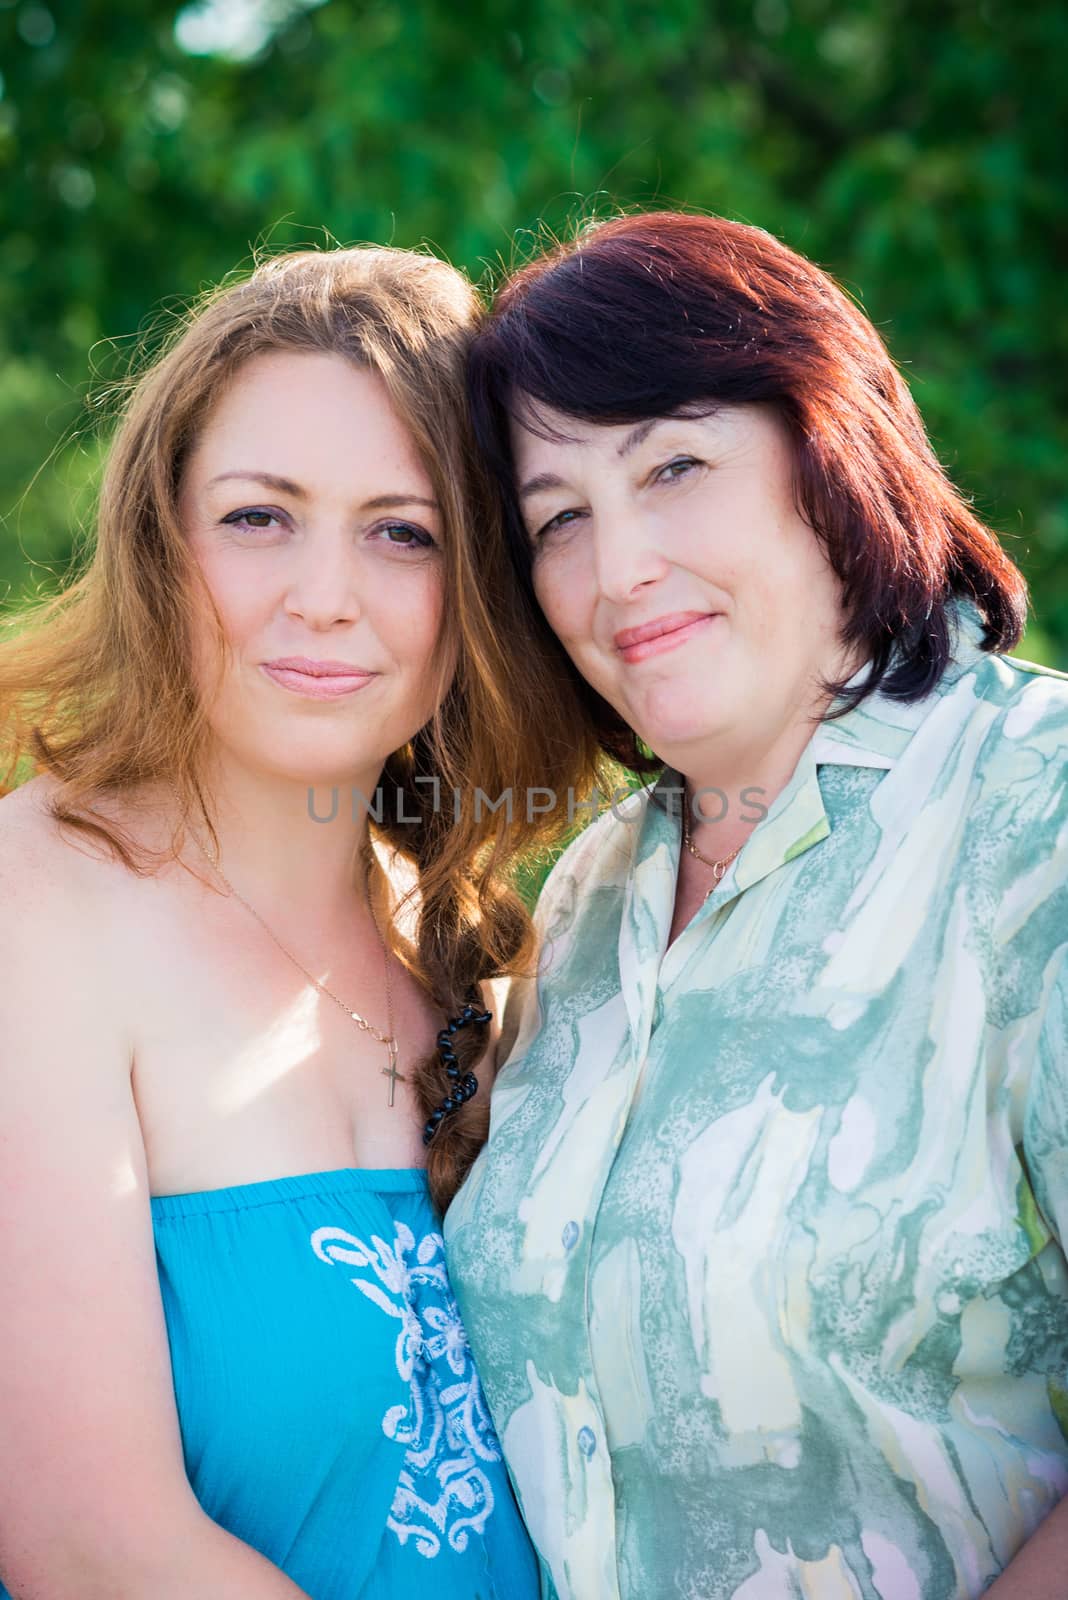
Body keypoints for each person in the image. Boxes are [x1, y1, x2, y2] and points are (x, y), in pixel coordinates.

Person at [446, 211, 1068, 1600]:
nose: (617, 574)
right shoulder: (593, 894)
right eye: (559, 520)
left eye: (674, 465)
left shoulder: (1039, 811)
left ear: (827, 443)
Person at [0, 246, 551, 1598]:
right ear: (159, 544)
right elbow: (86, 1544)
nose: (324, 595)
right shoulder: (37, 909)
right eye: (259, 517)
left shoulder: (491, 951)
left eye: (401, 531)